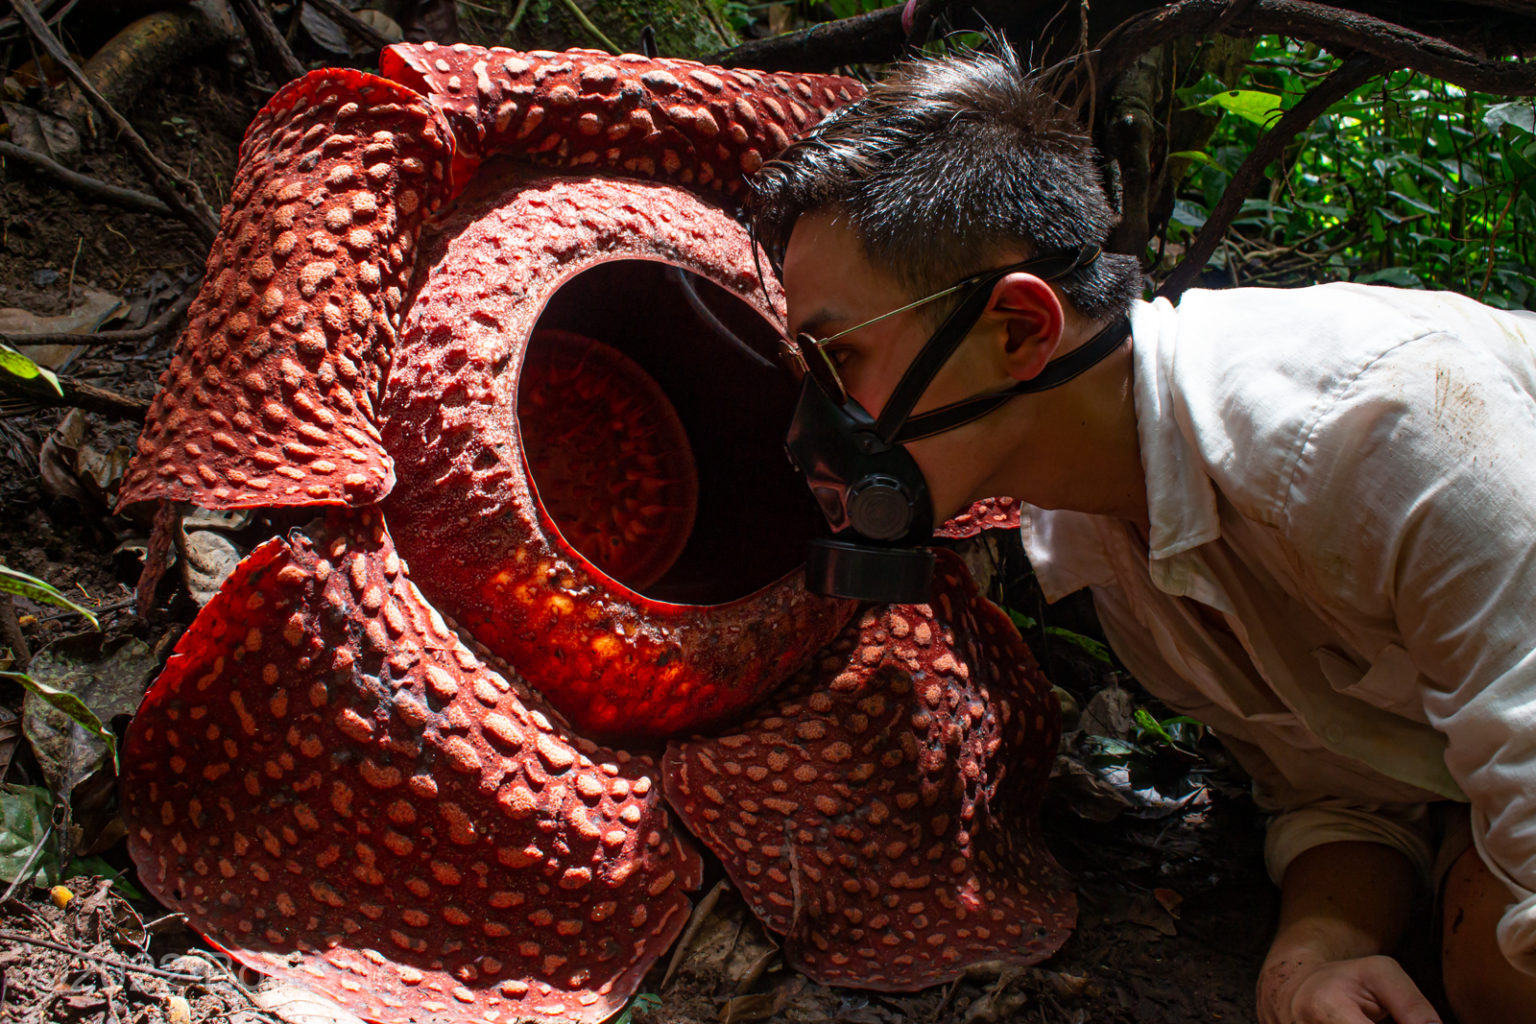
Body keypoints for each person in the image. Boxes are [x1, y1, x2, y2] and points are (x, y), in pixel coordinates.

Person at [748, 43, 1536, 1024]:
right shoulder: (1112, 549)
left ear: (1020, 330)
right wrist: (1319, 947)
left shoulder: (1387, 431)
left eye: (840, 357)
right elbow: (1347, 785)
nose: (815, 415)